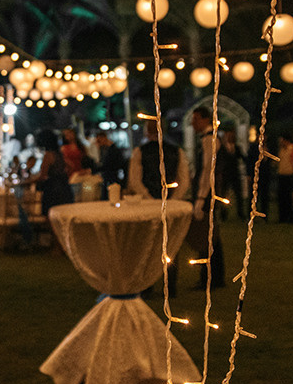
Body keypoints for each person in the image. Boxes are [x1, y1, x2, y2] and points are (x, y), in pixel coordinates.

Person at [127, 119, 190, 297]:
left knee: (147, 245)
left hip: (148, 205)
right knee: (170, 244)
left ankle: (147, 286)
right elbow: (184, 180)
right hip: (170, 205)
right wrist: (173, 200)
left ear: (147, 132)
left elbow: (135, 180)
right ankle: (171, 286)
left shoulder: (139, 152)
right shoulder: (177, 151)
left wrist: (149, 199)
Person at [187, 107, 225, 290]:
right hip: (210, 192)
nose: (193, 123)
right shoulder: (209, 139)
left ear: (205, 120)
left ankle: (209, 278)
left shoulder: (209, 140)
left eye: (196, 119)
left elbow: (207, 171)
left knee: (206, 236)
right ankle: (215, 276)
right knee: (211, 236)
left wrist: (201, 198)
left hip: (207, 193)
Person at [28, 130, 74, 216]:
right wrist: (63, 175)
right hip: (65, 188)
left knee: (50, 216)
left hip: (52, 190)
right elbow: (71, 166)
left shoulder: (48, 155)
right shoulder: (59, 154)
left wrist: (28, 181)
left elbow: (43, 176)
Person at [215, 126, 245, 221]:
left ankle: (240, 213)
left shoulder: (237, 147)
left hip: (235, 174)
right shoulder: (222, 148)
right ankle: (223, 214)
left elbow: (242, 157)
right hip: (226, 174)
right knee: (224, 194)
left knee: (238, 194)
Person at [93, 131, 128, 199]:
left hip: (112, 178)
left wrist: (93, 170)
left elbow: (108, 165)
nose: (98, 144)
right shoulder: (108, 149)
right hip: (111, 178)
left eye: (99, 141)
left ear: (104, 138)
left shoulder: (112, 150)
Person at [276, 135, 293, 224]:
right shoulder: (281, 150)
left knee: (290, 198)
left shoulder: (292, 149)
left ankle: (291, 217)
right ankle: (282, 217)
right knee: (282, 197)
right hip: (282, 175)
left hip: (290, 175)